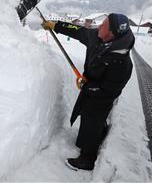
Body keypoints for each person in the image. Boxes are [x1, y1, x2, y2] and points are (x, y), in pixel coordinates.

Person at [41, 13, 135, 171]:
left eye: (103, 25)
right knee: (88, 115)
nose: (99, 26)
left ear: (111, 33)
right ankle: (99, 132)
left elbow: (109, 90)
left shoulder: (122, 63)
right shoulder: (98, 37)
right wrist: (55, 25)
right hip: (91, 86)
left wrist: (87, 86)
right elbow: (77, 30)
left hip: (102, 97)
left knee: (92, 121)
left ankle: (87, 158)